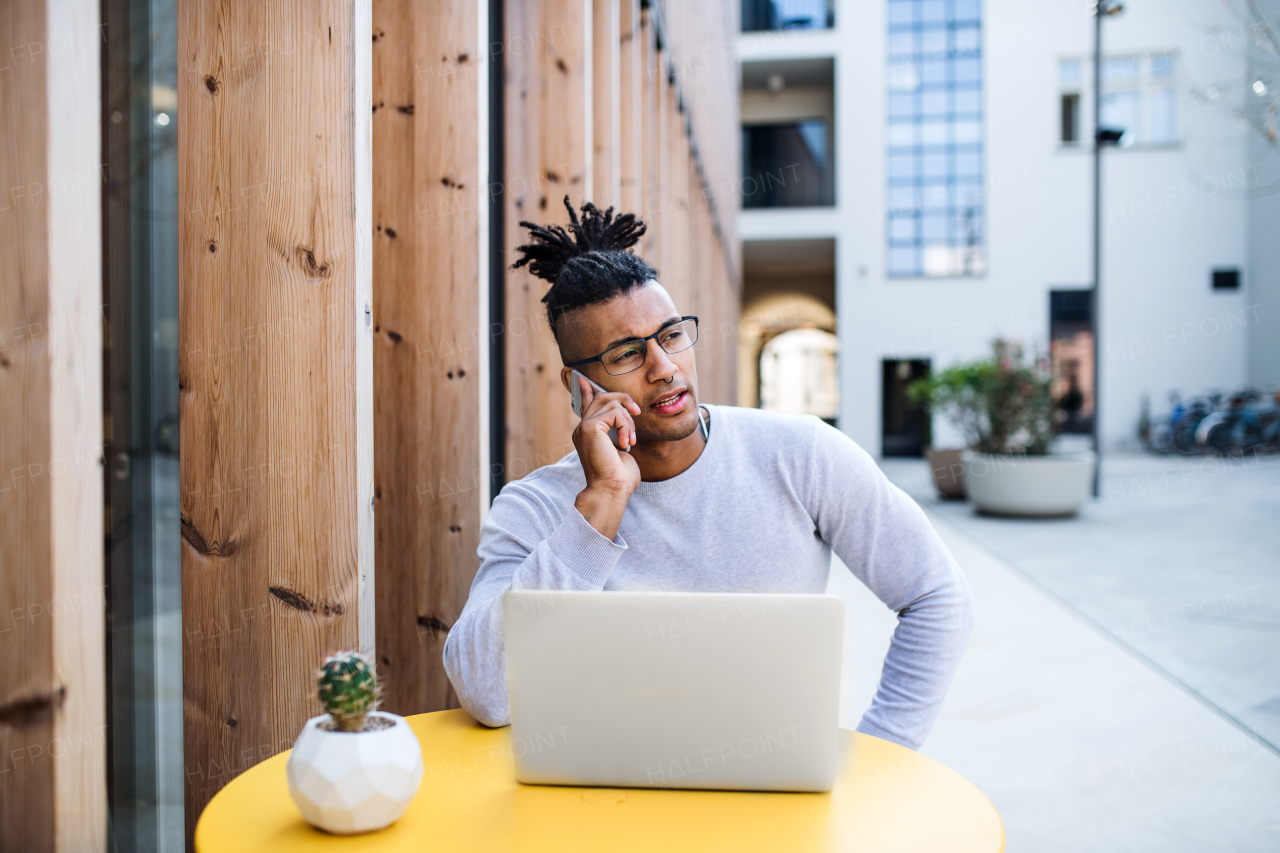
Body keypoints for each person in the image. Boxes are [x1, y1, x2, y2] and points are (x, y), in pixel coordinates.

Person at [443, 198, 974, 751]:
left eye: (671, 335)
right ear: (579, 387)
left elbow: (936, 595)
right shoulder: (534, 508)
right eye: (626, 353)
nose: (665, 367)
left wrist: (885, 750)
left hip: (773, 789)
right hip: (605, 802)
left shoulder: (802, 455)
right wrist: (601, 504)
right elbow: (485, 693)